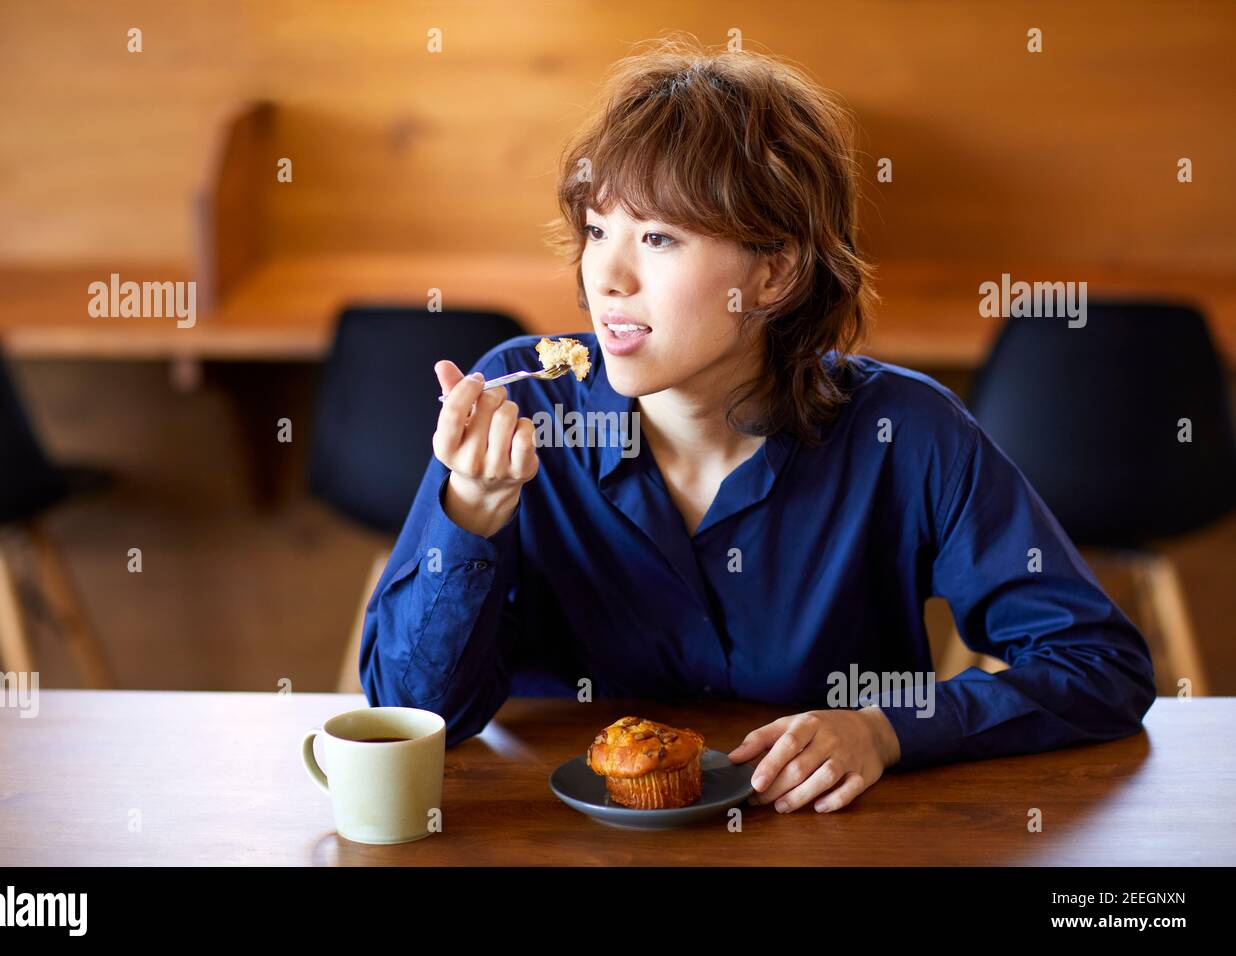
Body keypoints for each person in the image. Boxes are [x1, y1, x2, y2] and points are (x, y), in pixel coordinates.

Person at [356, 35, 1156, 814]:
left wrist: (888, 730)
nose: (606, 276)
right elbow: (413, 716)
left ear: (774, 272)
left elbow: (1099, 665)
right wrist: (471, 513)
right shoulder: (525, 407)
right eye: (598, 231)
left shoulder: (906, 433)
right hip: (558, 840)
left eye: (659, 238)